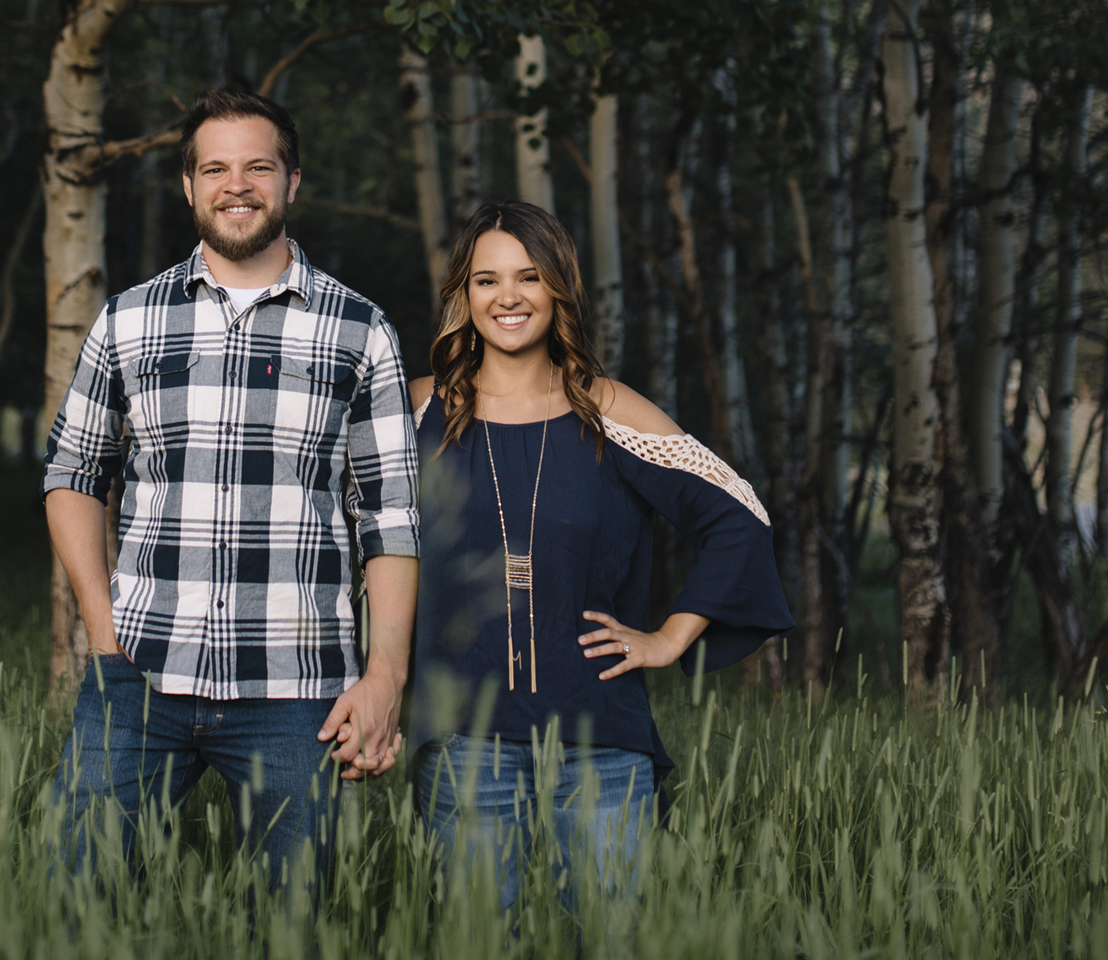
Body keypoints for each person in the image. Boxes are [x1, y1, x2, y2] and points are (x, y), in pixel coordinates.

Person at [43, 87, 421, 886]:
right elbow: (75, 473)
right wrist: (104, 637)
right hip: (139, 676)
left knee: (291, 929)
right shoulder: (128, 321)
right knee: (77, 903)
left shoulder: (360, 330)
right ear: (188, 186)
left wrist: (385, 675)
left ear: (292, 182)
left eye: (258, 165)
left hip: (298, 695)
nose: (236, 184)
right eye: (215, 167)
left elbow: (390, 519)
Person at [407, 199, 792, 912]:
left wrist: (670, 637)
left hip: (599, 738)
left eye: (528, 276)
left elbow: (740, 515)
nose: (509, 297)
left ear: (559, 286)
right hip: (464, 744)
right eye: (487, 279)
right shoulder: (419, 412)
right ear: (464, 293)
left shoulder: (607, 409)